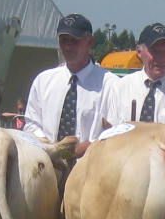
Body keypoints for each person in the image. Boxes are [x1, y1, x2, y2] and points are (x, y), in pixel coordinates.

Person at [24, 13, 112, 156]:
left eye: (75, 41)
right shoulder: (43, 81)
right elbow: (31, 124)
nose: (68, 47)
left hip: (90, 168)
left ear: (90, 41)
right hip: (49, 165)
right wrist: (50, 147)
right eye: (64, 40)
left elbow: (115, 132)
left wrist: (86, 147)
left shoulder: (110, 85)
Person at [100, 23, 165, 132]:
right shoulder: (121, 88)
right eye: (155, 51)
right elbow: (111, 134)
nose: (161, 58)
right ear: (139, 52)